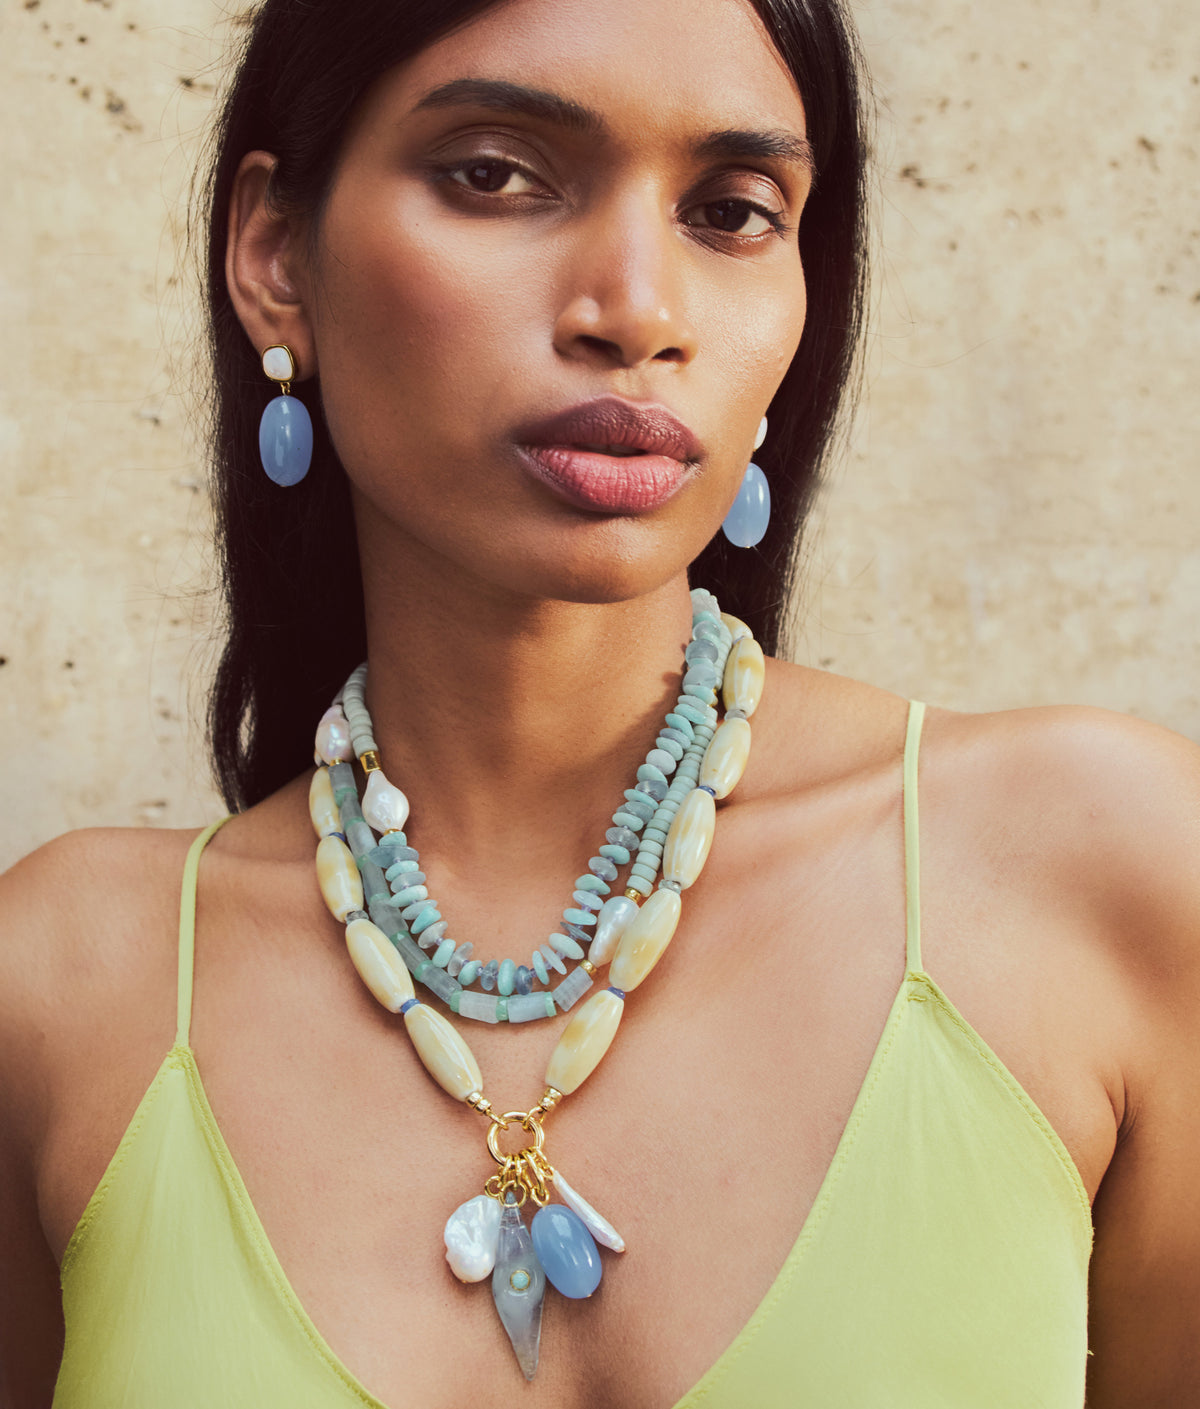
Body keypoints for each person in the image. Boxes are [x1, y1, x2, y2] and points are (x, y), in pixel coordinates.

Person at [1, 0, 1197, 1403]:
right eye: (495, 173)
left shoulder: (1105, 878)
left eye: (734, 210)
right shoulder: (64, 992)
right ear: (274, 258)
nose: (635, 309)